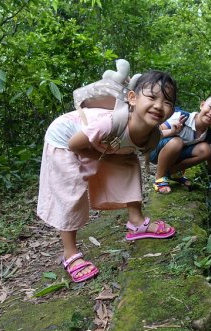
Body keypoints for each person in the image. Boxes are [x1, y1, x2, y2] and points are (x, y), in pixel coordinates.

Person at [37, 70, 177, 283]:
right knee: (71, 192)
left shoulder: (152, 134)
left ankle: (136, 222)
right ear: (132, 99)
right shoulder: (110, 122)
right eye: (151, 97)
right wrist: (102, 159)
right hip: (64, 139)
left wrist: (108, 158)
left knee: (129, 163)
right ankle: (70, 254)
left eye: (167, 102)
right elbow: (74, 144)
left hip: (95, 142)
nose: (159, 105)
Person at [149, 93, 211, 193]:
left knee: (206, 150)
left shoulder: (208, 136)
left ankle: (172, 172)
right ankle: (159, 178)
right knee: (177, 142)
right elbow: (153, 134)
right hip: (154, 151)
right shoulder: (181, 117)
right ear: (202, 105)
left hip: (173, 157)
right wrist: (171, 132)